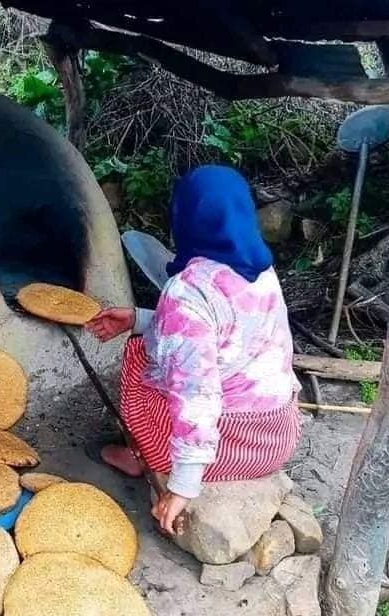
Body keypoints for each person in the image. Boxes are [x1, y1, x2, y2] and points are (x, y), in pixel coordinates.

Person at [87, 165, 301, 535]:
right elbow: (223, 333)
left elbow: (196, 395)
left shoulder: (187, 291)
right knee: (153, 342)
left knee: (139, 355)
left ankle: (144, 455)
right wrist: (139, 317)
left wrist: (183, 486)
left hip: (224, 449)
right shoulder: (261, 270)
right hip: (275, 437)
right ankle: (156, 456)